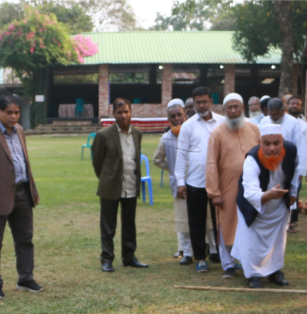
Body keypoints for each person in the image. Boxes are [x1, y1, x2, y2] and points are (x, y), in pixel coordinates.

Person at [0, 94, 42, 298]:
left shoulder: (19, 131)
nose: (13, 117)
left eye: (17, 112)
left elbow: (25, 163)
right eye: (9, 112)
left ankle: (25, 278)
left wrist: (33, 190)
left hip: (22, 193)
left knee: (25, 239)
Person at [232, 124, 300, 288]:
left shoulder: (291, 151)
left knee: (277, 240)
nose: (271, 148)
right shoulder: (252, 159)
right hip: (254, 204)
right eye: (266, 143)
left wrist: (293, 192)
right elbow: (250, 192)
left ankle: (274, 271)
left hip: (278, 204)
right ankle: (253, 274)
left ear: (282, 142)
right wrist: (268, 195)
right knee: (251, 241)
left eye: (276, 143)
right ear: (259, 142)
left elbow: (296, 172)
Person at [205, 93, 260, 278]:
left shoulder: (254, 129)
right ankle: (228, 264)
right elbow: (211, 163)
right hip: (227, 187)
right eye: (230, 107)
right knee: (227, 224)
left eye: (237, 107)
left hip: (252, 187)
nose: (234, 110)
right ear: (224, 110)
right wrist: (214, 192)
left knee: (248, 224)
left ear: (243, 109)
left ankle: (247, 261)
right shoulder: (217, 133)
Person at [174, 86, 226, 272]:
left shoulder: (222, 122)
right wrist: (180, 182)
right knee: (196, 222)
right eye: (198, 102)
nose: (201, 105)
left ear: (211, 101)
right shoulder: (188, 125)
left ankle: (224, 256)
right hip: (195, 181)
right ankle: (201, 258)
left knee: (222, 221)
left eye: (204, 101)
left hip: (219, 182)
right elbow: (181, 155)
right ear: (193, 104)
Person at [92, 98, 146, 271]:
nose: (123, 115)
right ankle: (107, 259)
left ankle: (129, 257)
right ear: (113, 113)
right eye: (119, 112)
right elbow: (97, 162)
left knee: (129, 223)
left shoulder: (137, 133)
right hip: (110, 185)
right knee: (108, 225)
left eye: (126, 112)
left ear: (131, 112)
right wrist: (107, 177)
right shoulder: (104, 135)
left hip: (131, 184)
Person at [261, 98, 307, 233]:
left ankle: (284, 226)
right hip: (267, 167)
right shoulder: (264, 121)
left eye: (276, 115)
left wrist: (303, 168)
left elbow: (301, 149)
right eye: (271, 114)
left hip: (287, 168)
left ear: (283, 111)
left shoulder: (293, 123)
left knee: (286, 198)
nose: (273, 117)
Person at [153, 98, 193, 265]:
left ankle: (208, 249)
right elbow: (157, 160)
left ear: (185, 114)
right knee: (182, 219)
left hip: (196, 182)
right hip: (178, 185)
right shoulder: (166, 138)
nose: (177, 119)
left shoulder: (193, 132)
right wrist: (175, 171)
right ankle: (187, 252)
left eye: (179, 115)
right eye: (173, 116)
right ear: (168, 119)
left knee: (200, 218)